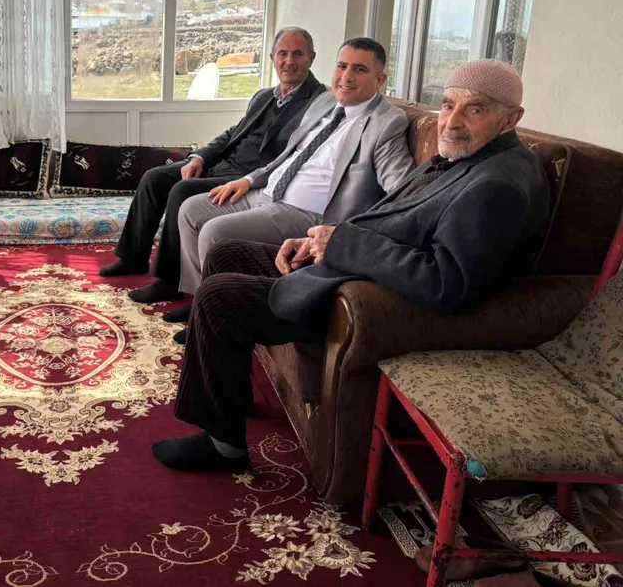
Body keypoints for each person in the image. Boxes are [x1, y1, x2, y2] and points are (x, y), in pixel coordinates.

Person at [153, 59, 551, 472]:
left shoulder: (496, 186)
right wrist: (321, 239)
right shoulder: (470, 158)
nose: (452, 122)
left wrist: (342, 245)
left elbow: (444, 283)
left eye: (475, 109)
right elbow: (389, 219)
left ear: (510, 119)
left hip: (362, 293)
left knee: (218, 298)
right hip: (350, 263)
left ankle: (224, 447)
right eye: (449, 105)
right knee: (226, 253)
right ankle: (230, 394)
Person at [169, 38, 414, 328]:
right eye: (342, 66)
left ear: (380, 80)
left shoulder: (387, 122)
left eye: (359, 69)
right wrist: (249, 179)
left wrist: (347, 233)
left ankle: (210, 319)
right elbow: (290, 155)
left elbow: (403, 191)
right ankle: (198, 299)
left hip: (304, 213)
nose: (346, 77)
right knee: (190, 210)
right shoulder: (326, 102)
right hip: (268, 191)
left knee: (214, 231)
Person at [100, 27, 326, 304]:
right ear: (272, 58)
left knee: (181, 190)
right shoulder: (264, 95)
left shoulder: (319, 102)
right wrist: (199, 157)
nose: (289, 61)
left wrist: (250, 179)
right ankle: (133, 257)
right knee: (153, 178)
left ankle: (169, 281)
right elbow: (232, 134)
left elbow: (297, 155)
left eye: (297, 54)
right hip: (223, 164)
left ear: (311, 58)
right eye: (283, 54)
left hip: (250, 178)